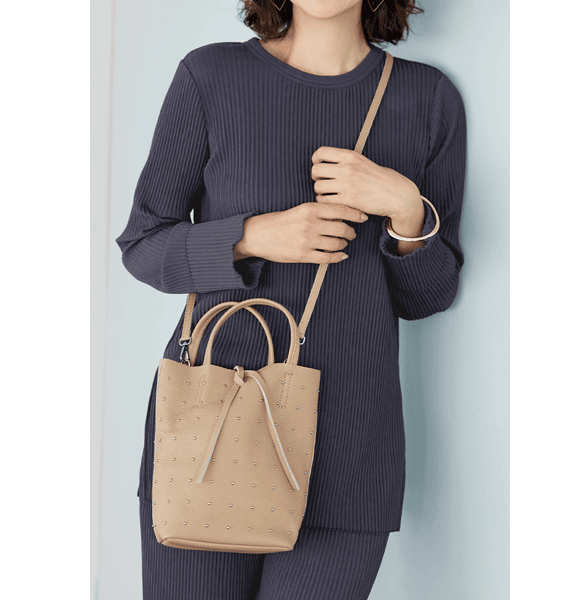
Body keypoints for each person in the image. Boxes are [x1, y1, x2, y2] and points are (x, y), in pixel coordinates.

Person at [114, 0, 467, 598]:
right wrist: (253, 237)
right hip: (210, 433)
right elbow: (143, 246)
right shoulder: (211, 76)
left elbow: (427, 295)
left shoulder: (426, 98)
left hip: (350, 445)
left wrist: (406, 209)